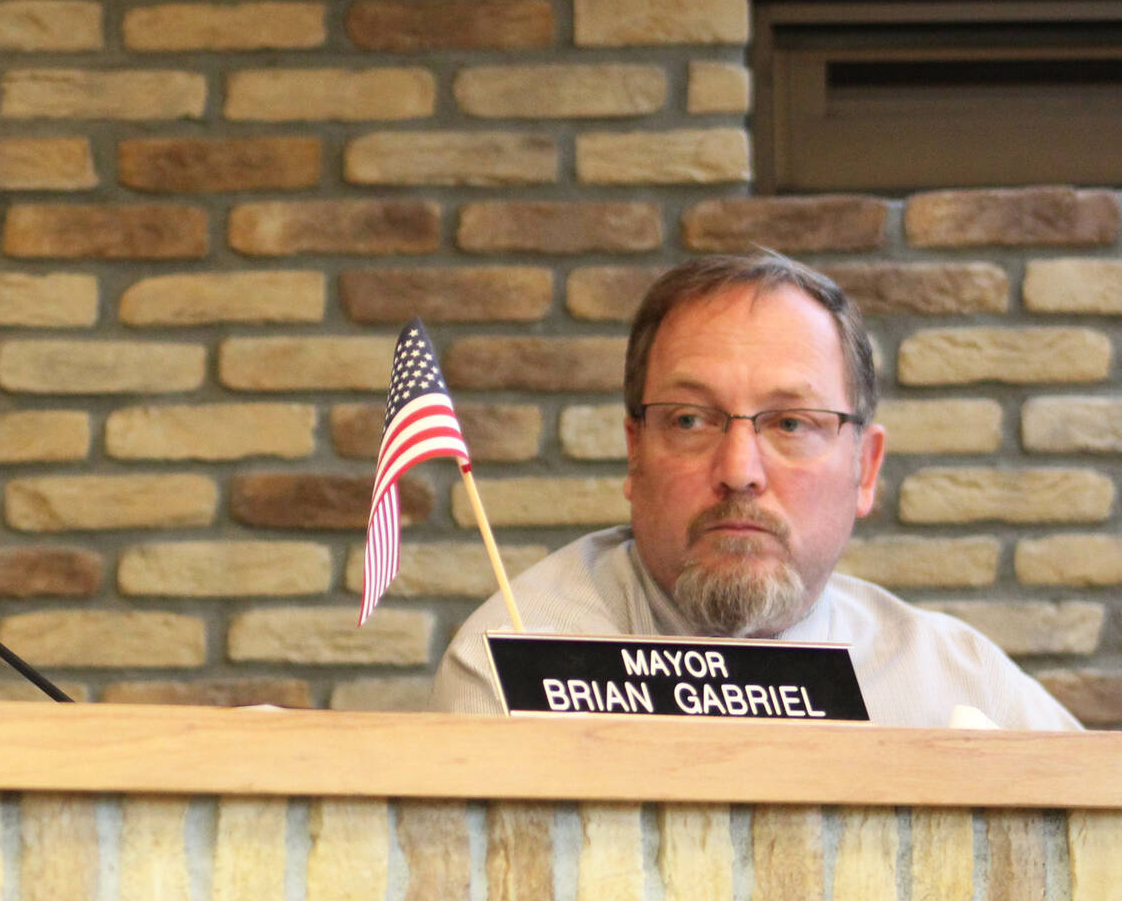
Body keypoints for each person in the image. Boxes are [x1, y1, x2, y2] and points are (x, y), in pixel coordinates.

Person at [432, 252, 1078, 729]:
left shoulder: (959, 684)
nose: (739, 469)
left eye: (791, 423)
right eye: (690, 419)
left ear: (867, 467)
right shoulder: (516, 665)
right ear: (635, 451)